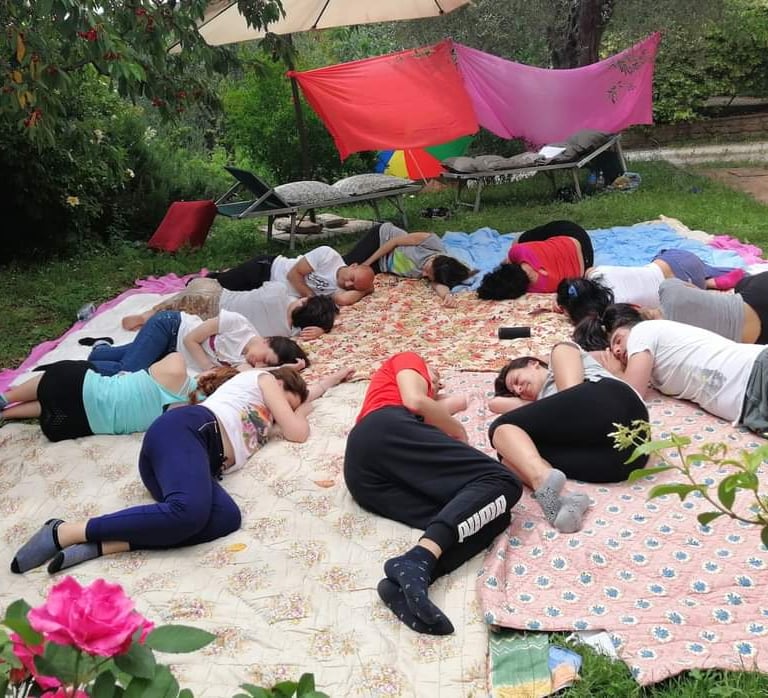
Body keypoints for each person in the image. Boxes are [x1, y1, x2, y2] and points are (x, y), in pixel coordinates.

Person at [10, 365, 355, 574]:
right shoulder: (264, 379)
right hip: (187, 431)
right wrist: (292, 414)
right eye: (287, 405)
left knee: (226, 519)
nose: (284, 413)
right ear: (283, 385)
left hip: (192, 464)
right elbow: (298, 431)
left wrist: (334, 380)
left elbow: (305, 407)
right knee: (188, 511)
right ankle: (64, 531)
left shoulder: (265, 418)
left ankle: (103, 545)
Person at [344, 351, 522, 635]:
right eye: (434, 377)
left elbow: (433, 407)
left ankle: (409, 579)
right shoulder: (408, 359)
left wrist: (447, 407)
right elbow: (416, 401)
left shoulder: (417, 424)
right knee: (504, 481)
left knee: (493, 516)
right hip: (381, 429)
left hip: (365, 480)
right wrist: (459, 432)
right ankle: (418, 559)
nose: (436, 383)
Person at [487, 341, 648, 533]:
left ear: (533, 363)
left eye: (516, 380)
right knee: (508, 454)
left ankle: (542, 481)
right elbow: (494, 404)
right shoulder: (545, 410)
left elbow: (572, 395)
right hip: (622, 462)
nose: (519, 390)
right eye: (515, 392)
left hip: (615, 404)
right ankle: (567, 500)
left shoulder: (561, 350)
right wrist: (526, 401)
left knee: (500, 428)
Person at [578, 304, 768, 436]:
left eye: (617, 340)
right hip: (750, 407)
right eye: (612, 351)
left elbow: (632, 393)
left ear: (627, 327)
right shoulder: (654, 367)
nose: (617, 350)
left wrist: (617, 372)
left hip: (755, 373)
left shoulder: (642, 332)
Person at [0, 354, 237, 441]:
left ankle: (6, 398)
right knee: (62, 403)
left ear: (212, 373)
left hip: (78, 387)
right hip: (71, 425)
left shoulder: (176, 367)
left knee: (66, 377)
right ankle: (6, 414)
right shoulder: (194, 415)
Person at [84, 309, 309, 376]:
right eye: (265, 359)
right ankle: (78, 372)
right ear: (268, 340)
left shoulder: (247, 363)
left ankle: (100, 349)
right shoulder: (236, 324)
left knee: (100, 357)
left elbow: (251, 378)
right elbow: (190, 339)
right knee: (129, 372)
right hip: (170, 328)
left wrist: (282, 369)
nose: (258, 364)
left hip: (170, 352)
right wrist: (209, 368)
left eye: (265, 366)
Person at [556, 250, 746, 323]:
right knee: (663, 263)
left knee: (688, 287)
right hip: (676, 259)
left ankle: (708, 283)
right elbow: (589, 271)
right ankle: (709, 279)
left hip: (684, 285)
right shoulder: (599, 273)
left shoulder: (615, 309)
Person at [121, 280, 339, 341]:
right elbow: (301, 332)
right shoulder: (285, 332)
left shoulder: (278, 292)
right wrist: (320, 330)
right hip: (211, 321)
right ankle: (149, 318)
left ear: (304, 302)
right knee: (180, 310)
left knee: (189, 293)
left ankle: (146, 314)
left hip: (213, 296)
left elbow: (263, 285)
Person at [342, 222, 476, 306]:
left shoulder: (440, 273)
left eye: (428, 276)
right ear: (435, 259)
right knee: (346, 265)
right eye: (427, 271)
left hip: (382, 265)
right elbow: (394, 242)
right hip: (382, 240)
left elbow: (439, 285)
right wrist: (366, 264)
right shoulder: (431, 243)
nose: (423, 274)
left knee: (356, 284)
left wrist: (447, 296)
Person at [205, 245, 375, 306]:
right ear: (352, 265)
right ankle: (210, 277)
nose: (349, 285)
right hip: (268, 270)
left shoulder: (339, 289)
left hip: (271, 292)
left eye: (354, 286)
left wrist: (365, 290)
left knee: (224, 301)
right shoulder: (328, 255)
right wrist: (310, 297)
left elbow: (344, 300)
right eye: (352, 279)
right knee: (219, 285)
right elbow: (294, 275)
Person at [477, 220, 594, 300]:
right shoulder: (518, 251)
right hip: (574, 235)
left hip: (587, 263)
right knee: (517, 241)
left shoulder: (538, 288)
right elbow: (505, 261)